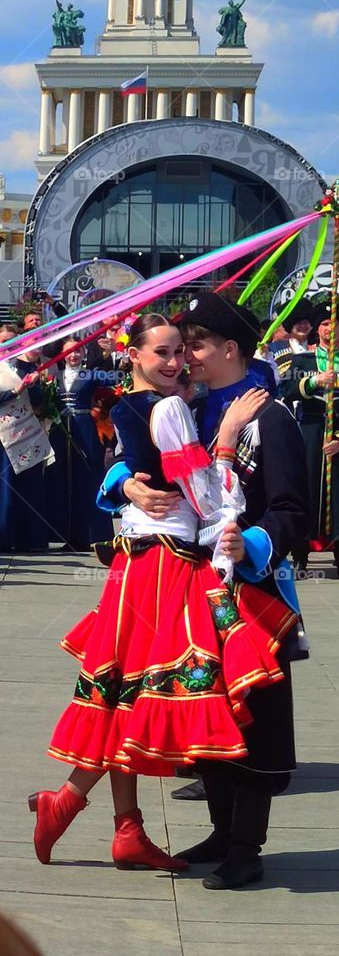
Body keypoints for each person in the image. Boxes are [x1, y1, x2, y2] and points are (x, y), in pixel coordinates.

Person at [31, 314, 287, 875]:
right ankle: (74, 804)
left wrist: (127, 482)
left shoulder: (128, 404)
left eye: (180, 352)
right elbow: (208, 498)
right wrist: (221, 444)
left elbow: (133, 465)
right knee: (149, 690)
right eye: (164, 353)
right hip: (169, 566)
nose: (175, 363)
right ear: (133, 355)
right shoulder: (170, 408)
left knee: (123, 689)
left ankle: (122, 826)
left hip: (136, 563)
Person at [125, 292, 311, 886]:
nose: (186, 358)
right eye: (180, 347)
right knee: (210, 709)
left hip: (252, 592)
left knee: (253, 714)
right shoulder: (195, 411)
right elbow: (149, 467)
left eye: (196, 345)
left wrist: (251, 543)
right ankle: (221, 828)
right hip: (193, 591)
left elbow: (291, 510)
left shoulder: (271, 418)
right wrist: (125, 485)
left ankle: (247, 848)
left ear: (229, 350)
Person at [278, 301, 339, 579]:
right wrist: (314, 382)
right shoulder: (302, 361)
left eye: (335, 324)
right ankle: (300, 556)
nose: (330, 329)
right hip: (310, 432)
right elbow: (288, 392)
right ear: (318, 329)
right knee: (307, 494)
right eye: (325, 324)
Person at [47, 339, 113, 550]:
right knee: (61, 479)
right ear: (62, 355)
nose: (73, 355)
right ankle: (64, 534)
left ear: (83, 353)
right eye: (69, 352)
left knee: (86, 476)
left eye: (78, 351)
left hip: (84, 427)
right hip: (60, 429)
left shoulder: (91, 374)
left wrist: (108, 355)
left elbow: (112, 379)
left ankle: (89, 534)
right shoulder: (53, 377)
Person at [0, 331, 53, 553]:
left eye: (13, 341)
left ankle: (30, 538)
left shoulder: (27, 367)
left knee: (30, 487)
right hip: (2, 436)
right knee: (6, 488)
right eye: (4, 341)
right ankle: (4, 537)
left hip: (26, 433)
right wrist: (15, 391)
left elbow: (38, 402)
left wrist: (34, 386)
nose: (9, 345)